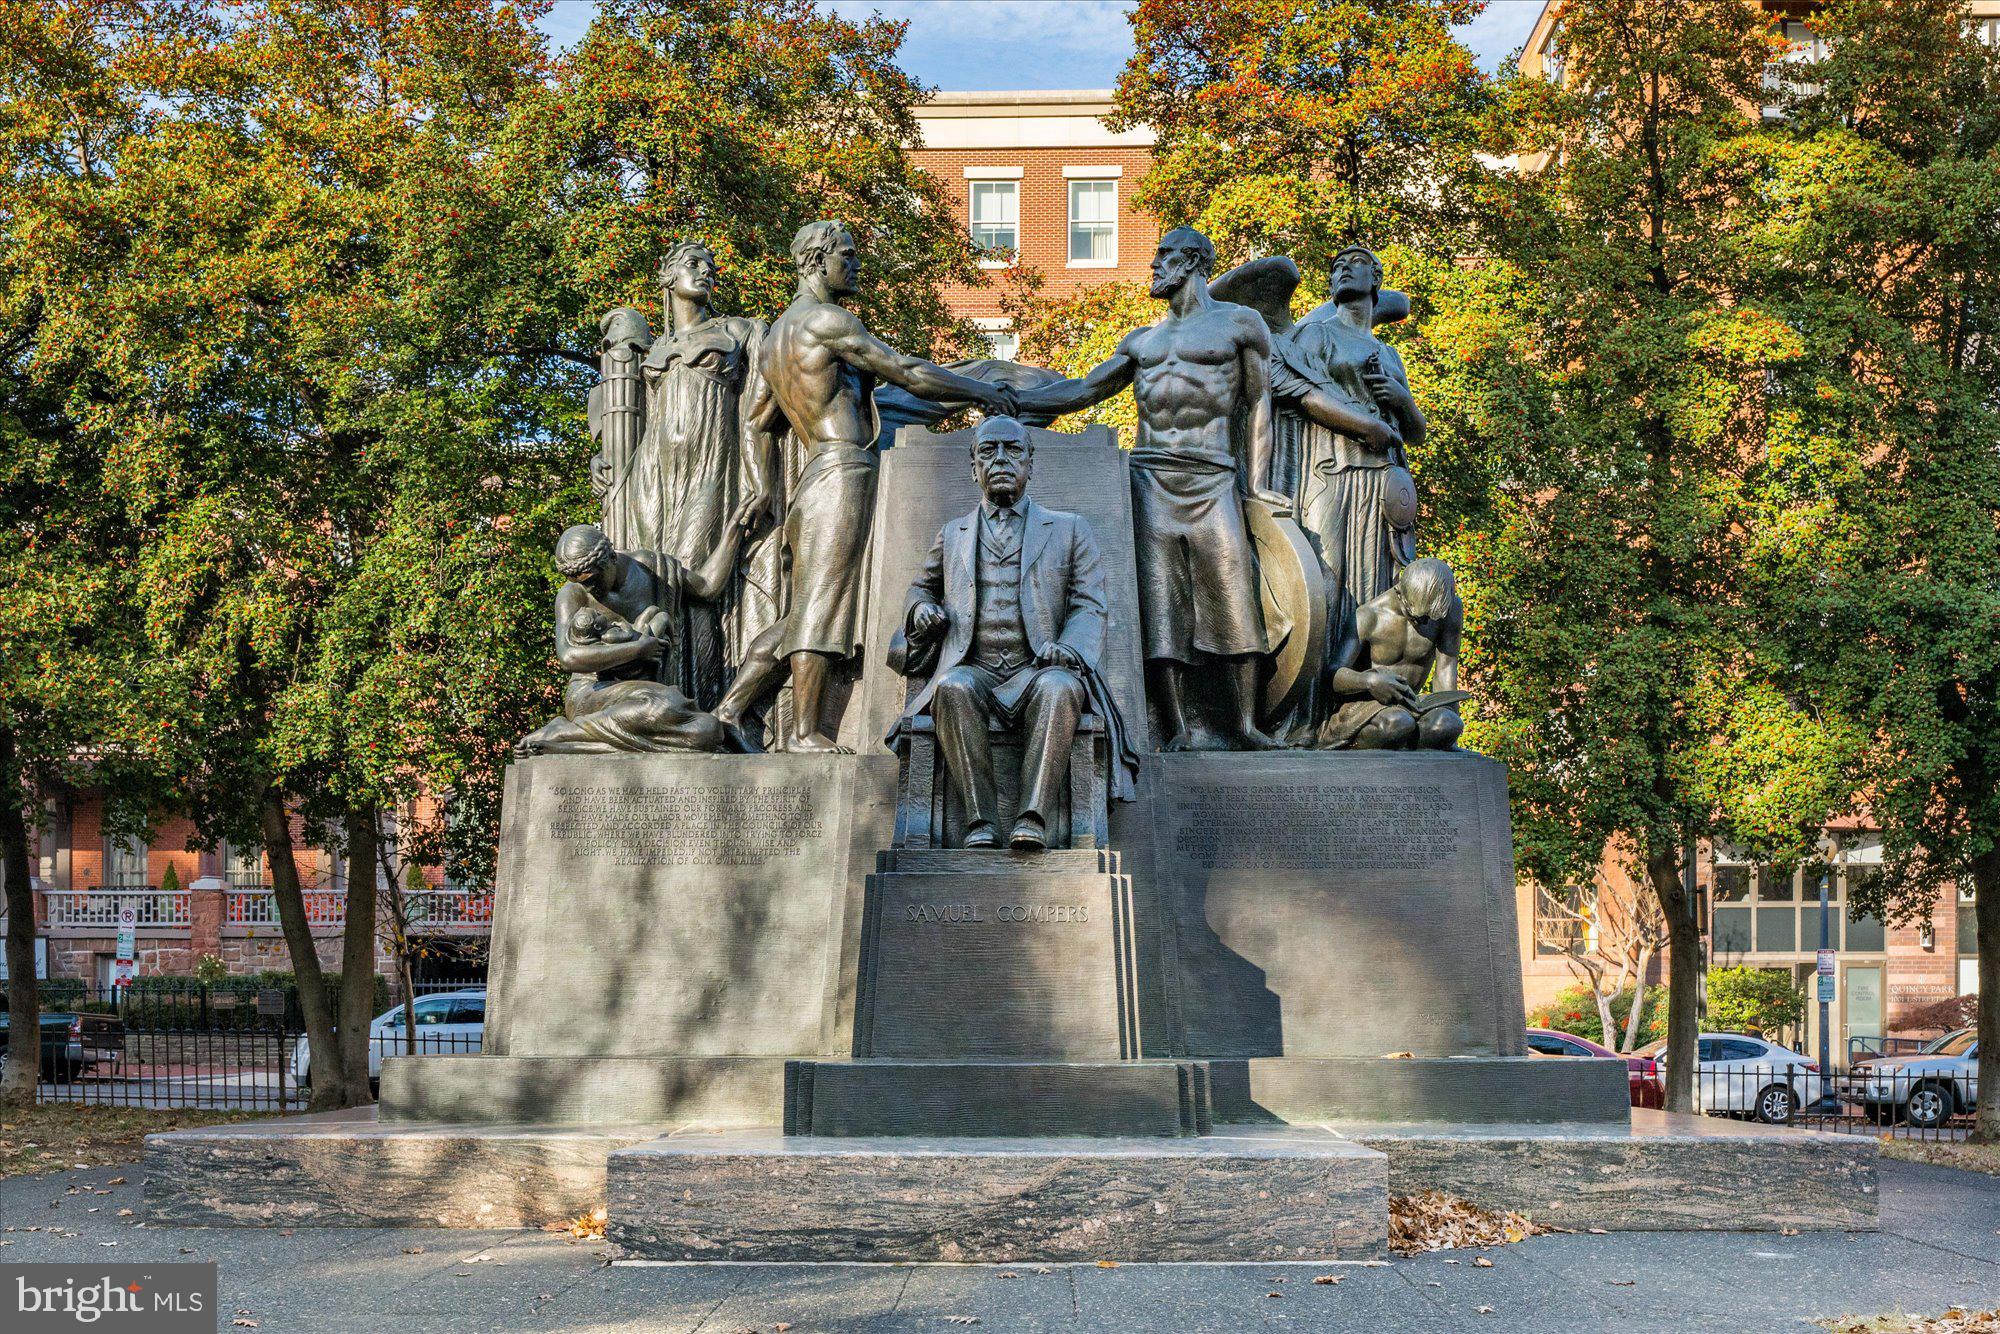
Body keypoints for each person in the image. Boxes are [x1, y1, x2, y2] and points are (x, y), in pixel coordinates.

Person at [713, 221, 1015, 753]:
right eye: (846, 256)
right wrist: (979, 391)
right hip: (844, 469)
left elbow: (757, 422)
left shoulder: (776, 337)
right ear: (816, 261)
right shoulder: (827, 320)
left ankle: (731, 710)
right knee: (821, 608)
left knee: (804, 606)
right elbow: (905, 371)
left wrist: (765, 487)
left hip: (814, 477)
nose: (854, 266)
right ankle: (804, 733)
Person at [1013, 226, 1285, 751]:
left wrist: (1258, 484)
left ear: (1193, 262)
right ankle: (1177, 727)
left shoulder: (1240, 325)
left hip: (1213, 476)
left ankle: (1248, 724)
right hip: (1149, 478)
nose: (1154, 266)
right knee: (1162, 605)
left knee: (1234, 591)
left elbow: (1259, 407)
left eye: (1163, 256)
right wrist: (1010, 404)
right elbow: (1085, 389)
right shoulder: (1142, 342)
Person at [890, 417, 1136, 850]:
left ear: (1029, 463)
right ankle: (979, 822)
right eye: (988, 451)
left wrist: (1070, 650)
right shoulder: (953, 534)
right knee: (952, 686)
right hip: (976, 668)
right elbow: (919, 587)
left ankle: (1033, 818)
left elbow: (1089, 603)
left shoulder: (1069, 529)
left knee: (1061, 688)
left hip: (1038, 667)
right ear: (973, 468)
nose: (1000, 459)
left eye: (1012, 450)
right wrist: (922, 607)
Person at [516, 502, 760, 756]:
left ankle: (564, 736)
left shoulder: (652, 569)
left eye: (591, 580)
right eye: (578, 582)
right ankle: (564, 734)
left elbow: (708, 587)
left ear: (610, 557)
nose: (588, 589)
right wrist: (638, 649)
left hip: (645, 695)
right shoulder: (572, 595)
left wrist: (735, 528)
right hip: (593, 693)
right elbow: (569, 658)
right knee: (662, 707)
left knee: (707, 730)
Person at [1271, 245, 1427, 635]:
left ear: (1376, 278)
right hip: (1331, 473)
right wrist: (1364, 425)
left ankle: (1363, 688)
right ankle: (1317, 689)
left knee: (1377, 588)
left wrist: (1402, 400)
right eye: (1336, 266)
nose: (1342, 269)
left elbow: (1417, 434)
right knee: (1324, 579)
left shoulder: (1389, 354)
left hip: (1382, 483)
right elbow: (1297, 396)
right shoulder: (1315, 336)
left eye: (1354, 263)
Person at [1318, 557, 1464, 751]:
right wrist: (1370, 682)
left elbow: (1446, 670)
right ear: (1400, 592)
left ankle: (1408, 751)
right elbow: (1332, 675)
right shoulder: (1369, 616)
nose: (1425, 622)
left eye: (1430, 617)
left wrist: (1450, 735)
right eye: (1418, 616)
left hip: (1413, 706)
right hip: (1368, 707)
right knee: (1397, 724)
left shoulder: (1449, 609)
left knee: (1448, 725)